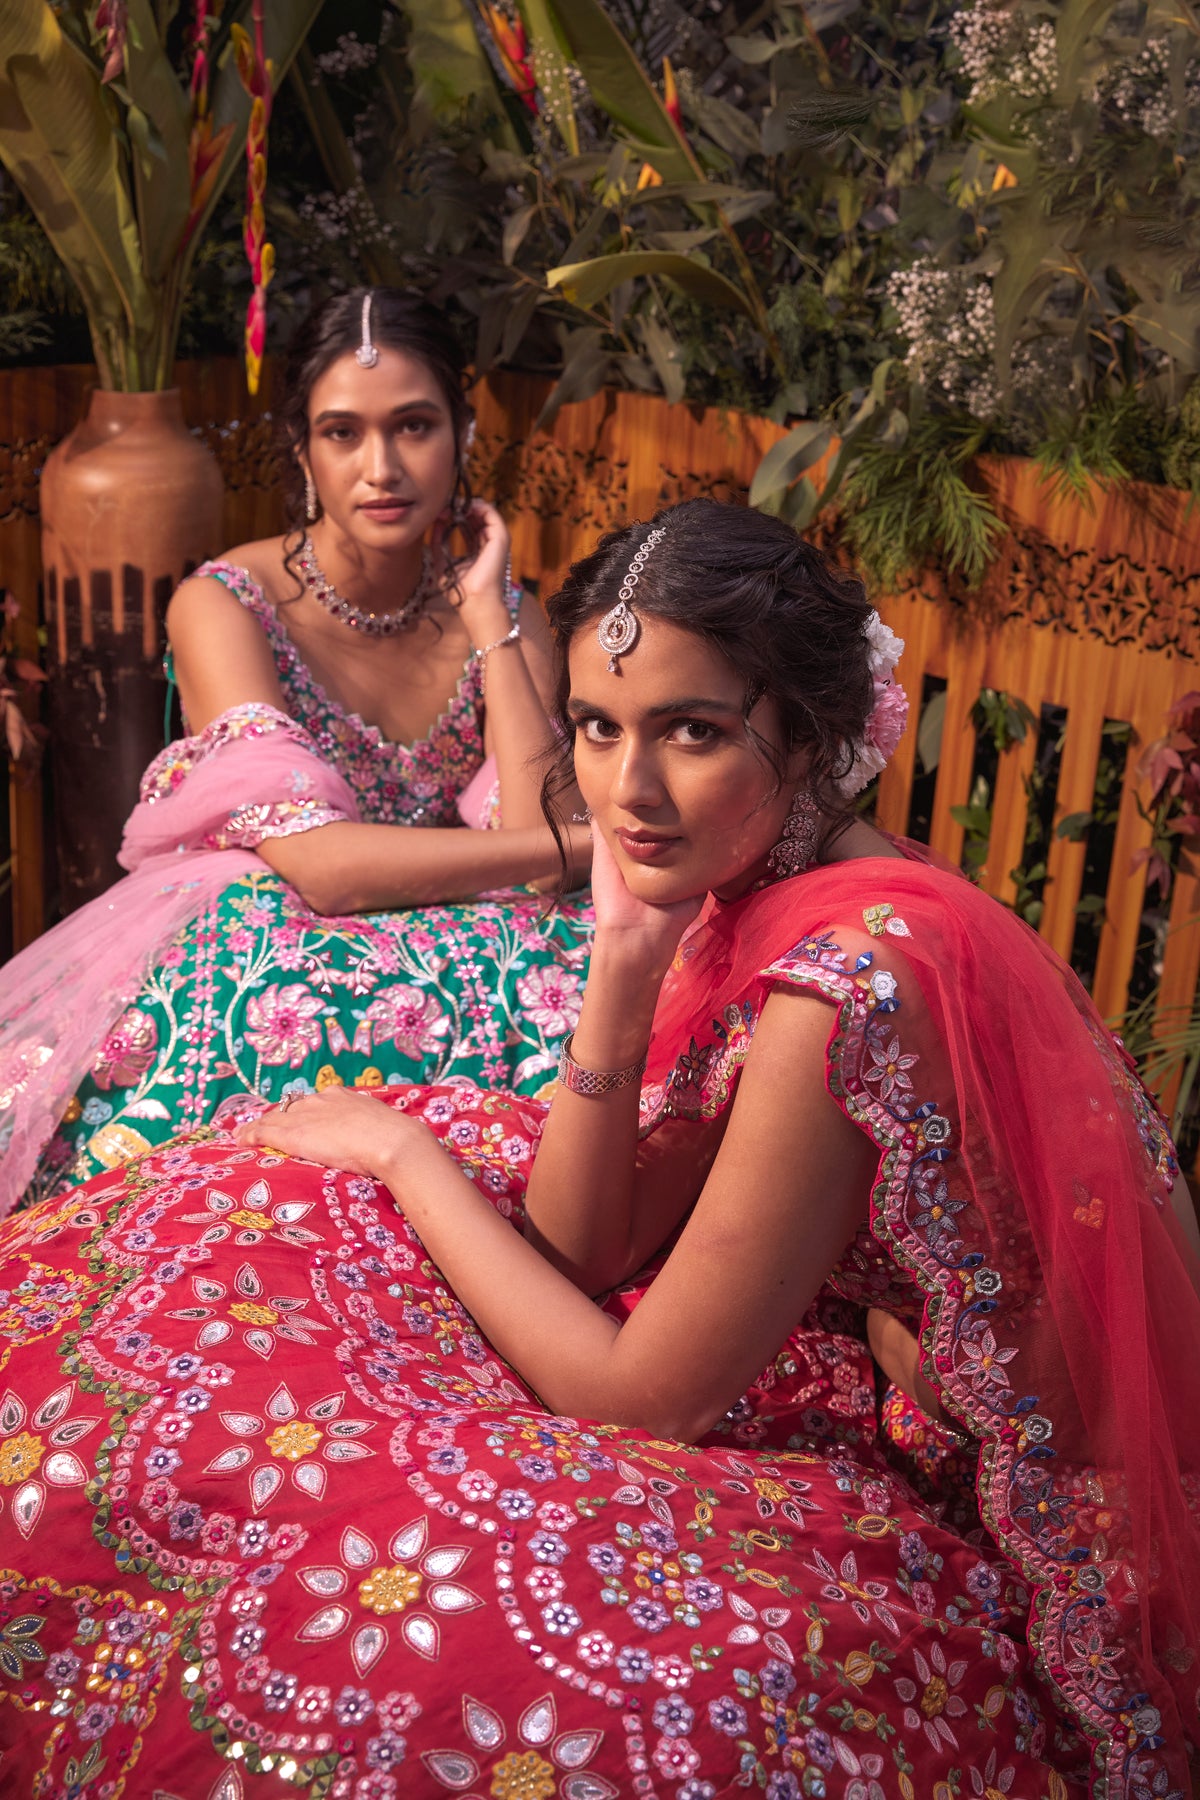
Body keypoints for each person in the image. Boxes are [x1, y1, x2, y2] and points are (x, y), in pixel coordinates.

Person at [0, 499, 1197, 1799]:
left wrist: (407, 1157)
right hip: (865, 1379)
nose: (628, 790)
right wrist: (620, 972)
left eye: (692, 731)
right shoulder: (761, 890)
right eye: (598, 727)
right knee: (276, 1237)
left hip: (1023, 1537)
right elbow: (594, 1243)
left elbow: (643, 1400)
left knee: (461, 1631)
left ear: (809, 733)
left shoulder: (847, 981)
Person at [0, 289, 593, 1212]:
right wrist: (573, 851)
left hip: (456, 934)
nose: (382, 467)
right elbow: (323, 867)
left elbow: (535, 836)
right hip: (281, 933)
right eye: (344, 434)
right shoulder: (228, 603)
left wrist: (490, 625)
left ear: (462, 436)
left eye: (414, 426)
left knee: (577, 959)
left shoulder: (507, 616)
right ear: (304, 451)